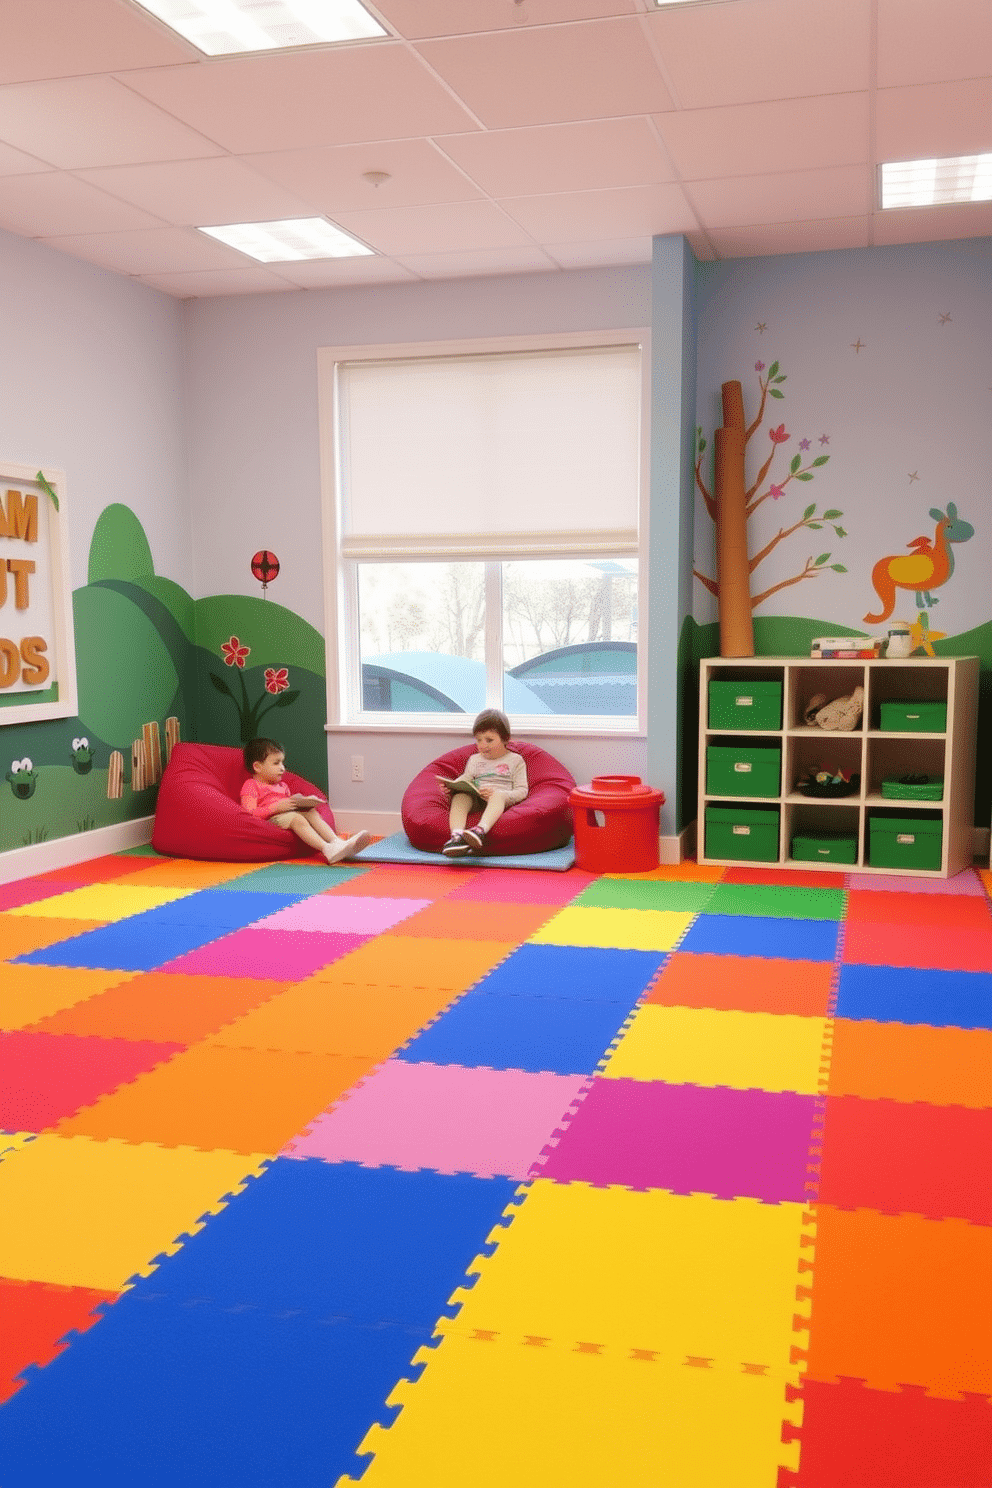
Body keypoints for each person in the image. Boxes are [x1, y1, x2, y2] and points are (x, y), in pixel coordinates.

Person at [241, 737, 370, 865]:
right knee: (297, 819)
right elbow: (249, 814)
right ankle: (327, 849)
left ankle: (337, 843)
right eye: (276, 763)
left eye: (282, 763)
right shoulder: (251, 785)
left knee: (311, 812)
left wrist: (301, 803)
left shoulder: (283, 786)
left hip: (287, 815)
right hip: (271, 819)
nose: (282, 768)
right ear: (257, 767)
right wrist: (275, 807)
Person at [441, 709, 528, 857]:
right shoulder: (475, 759)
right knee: (460, 796)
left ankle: (480, 830)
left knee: (497, 796)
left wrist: (499, 794)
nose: (482, 745)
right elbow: (467, 778)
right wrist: (453, 786)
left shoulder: (515, 760)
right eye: (479, 739)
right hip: (477, 798)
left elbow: (522, 790)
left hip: (500, 800)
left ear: (505, 739)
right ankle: (457, 836)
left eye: (489, 740)